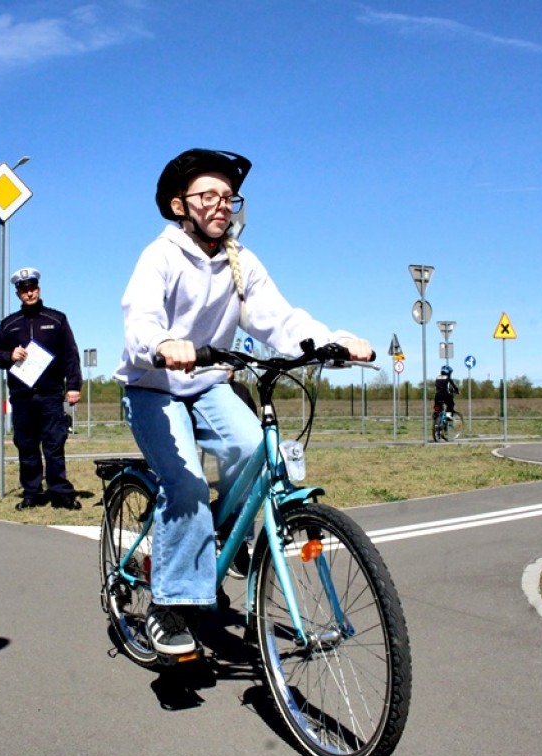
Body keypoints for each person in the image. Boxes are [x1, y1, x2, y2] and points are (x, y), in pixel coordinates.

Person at [114, 149, 374, 656]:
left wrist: (331, 342)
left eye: (228, 197)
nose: (221, 205)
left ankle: (231, 538)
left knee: (255, 448)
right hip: (154, 386)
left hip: (208, 382)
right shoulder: (160, 256)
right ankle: (169, 608)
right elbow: (140, 318)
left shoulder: (241, 262)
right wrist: (163, 345)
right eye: (207, 196)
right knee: (185, 484)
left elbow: (281, 319)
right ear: (177, 206)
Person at [0, 267, 83, 511]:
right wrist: (9, 355)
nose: (29, 293)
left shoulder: (57, 319)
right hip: (22, 397)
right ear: (18, 293)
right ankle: (32, 493)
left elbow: (70, 355)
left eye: (32, 289)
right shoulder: (9, 325)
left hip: (50, 395)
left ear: (38, 289)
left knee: (54, 445)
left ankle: (60, 492)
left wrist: (73, 386)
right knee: (27, 446)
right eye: (24, 290)